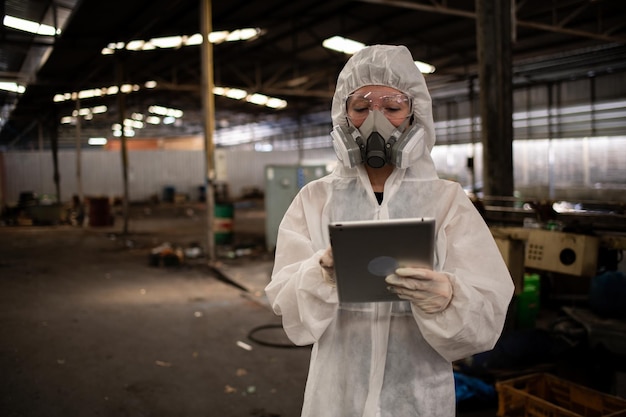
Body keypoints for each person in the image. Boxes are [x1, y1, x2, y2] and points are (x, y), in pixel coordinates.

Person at [265, 44, 514, 417]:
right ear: (342, 117)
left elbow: (488, 309)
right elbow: (288, 308)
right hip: (337, 393)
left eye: (393, 108)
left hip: (418, 393)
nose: (374, 121)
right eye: (361, 108)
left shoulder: (446, 201)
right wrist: (320, 274)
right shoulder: (315, 199)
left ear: (416, 117)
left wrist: (448, 297)